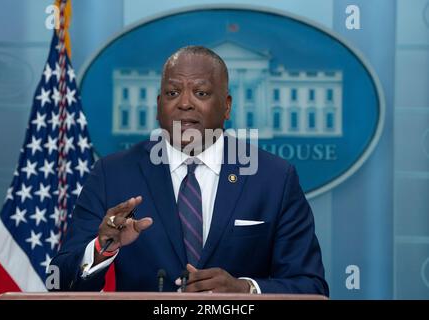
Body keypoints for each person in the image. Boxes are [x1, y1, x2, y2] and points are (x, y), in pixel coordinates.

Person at [50, 46, 329, 296]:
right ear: (159, 105)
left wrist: (246, 289)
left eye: (201, 93)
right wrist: (102, 248)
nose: (184, 103)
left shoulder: (274, 178)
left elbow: (311, 287)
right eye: (172, 93)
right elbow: (59, 281)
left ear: (227, 106)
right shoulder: (113, 174)